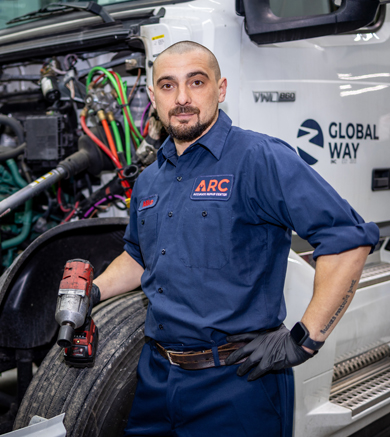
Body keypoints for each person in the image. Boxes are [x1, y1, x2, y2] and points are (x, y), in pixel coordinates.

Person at [90, 41, 379, 436]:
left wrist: (305, 339)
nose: (183, 98)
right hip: (156, 380)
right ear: (154, 98)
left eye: (196, 82)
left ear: (221, 89)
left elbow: (347, 240)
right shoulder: (150, 180)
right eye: (169, 85)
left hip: (237, 384)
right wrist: (93, 290)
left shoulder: (258, 157)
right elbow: (140, 257)